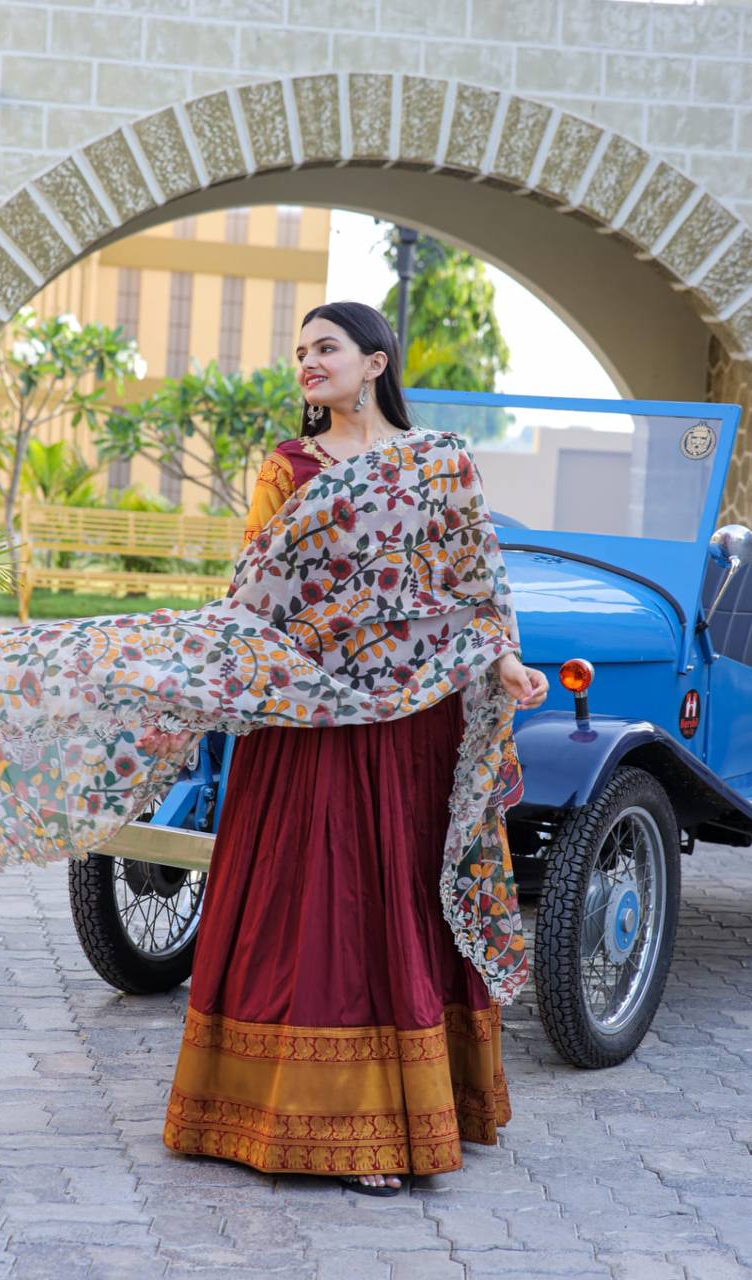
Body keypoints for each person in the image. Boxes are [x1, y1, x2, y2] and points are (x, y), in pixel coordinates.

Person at [160, 302, 549, 1195]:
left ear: (376, 362)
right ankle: (285, 1116)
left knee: (395, 896)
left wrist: (510, 662)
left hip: (413, 718)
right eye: (298, 351)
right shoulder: (288, 469)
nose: (307, 363)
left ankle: (401, 1117)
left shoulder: (437, 465)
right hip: (312, 716)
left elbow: (472, 580)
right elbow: (253, 589)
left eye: (324, 348)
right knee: (317, 898)